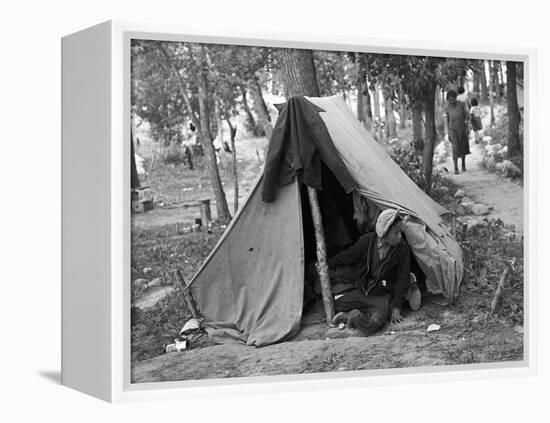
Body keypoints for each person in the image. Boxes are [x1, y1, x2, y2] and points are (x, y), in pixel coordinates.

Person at [326, 209, 421, 335]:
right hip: (364, 292)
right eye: (396, 233)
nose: (400, 236)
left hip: (382, 296)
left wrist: (397, 308)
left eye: (400, 232)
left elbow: (402, 278)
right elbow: (349, 255)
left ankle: (354, 316)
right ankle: (349, 315)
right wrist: (327, 263)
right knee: (335, 304)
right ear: (383, 233)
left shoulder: (402, 248)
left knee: (375, 322)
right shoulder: (367, 241)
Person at [444, 89, 471, 174]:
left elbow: (467, 115)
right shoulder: (446, 108)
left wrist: (467, 126)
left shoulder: (462, 105)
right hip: (452, 130)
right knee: (455, 148)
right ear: (447, 100)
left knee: (462, 147)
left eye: (453, 99)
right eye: (450, 100)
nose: (452, 101)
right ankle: (456, 167)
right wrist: (447, 133)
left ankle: (463, 164)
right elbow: (446, 121)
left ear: (456, 98)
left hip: (462, 128)